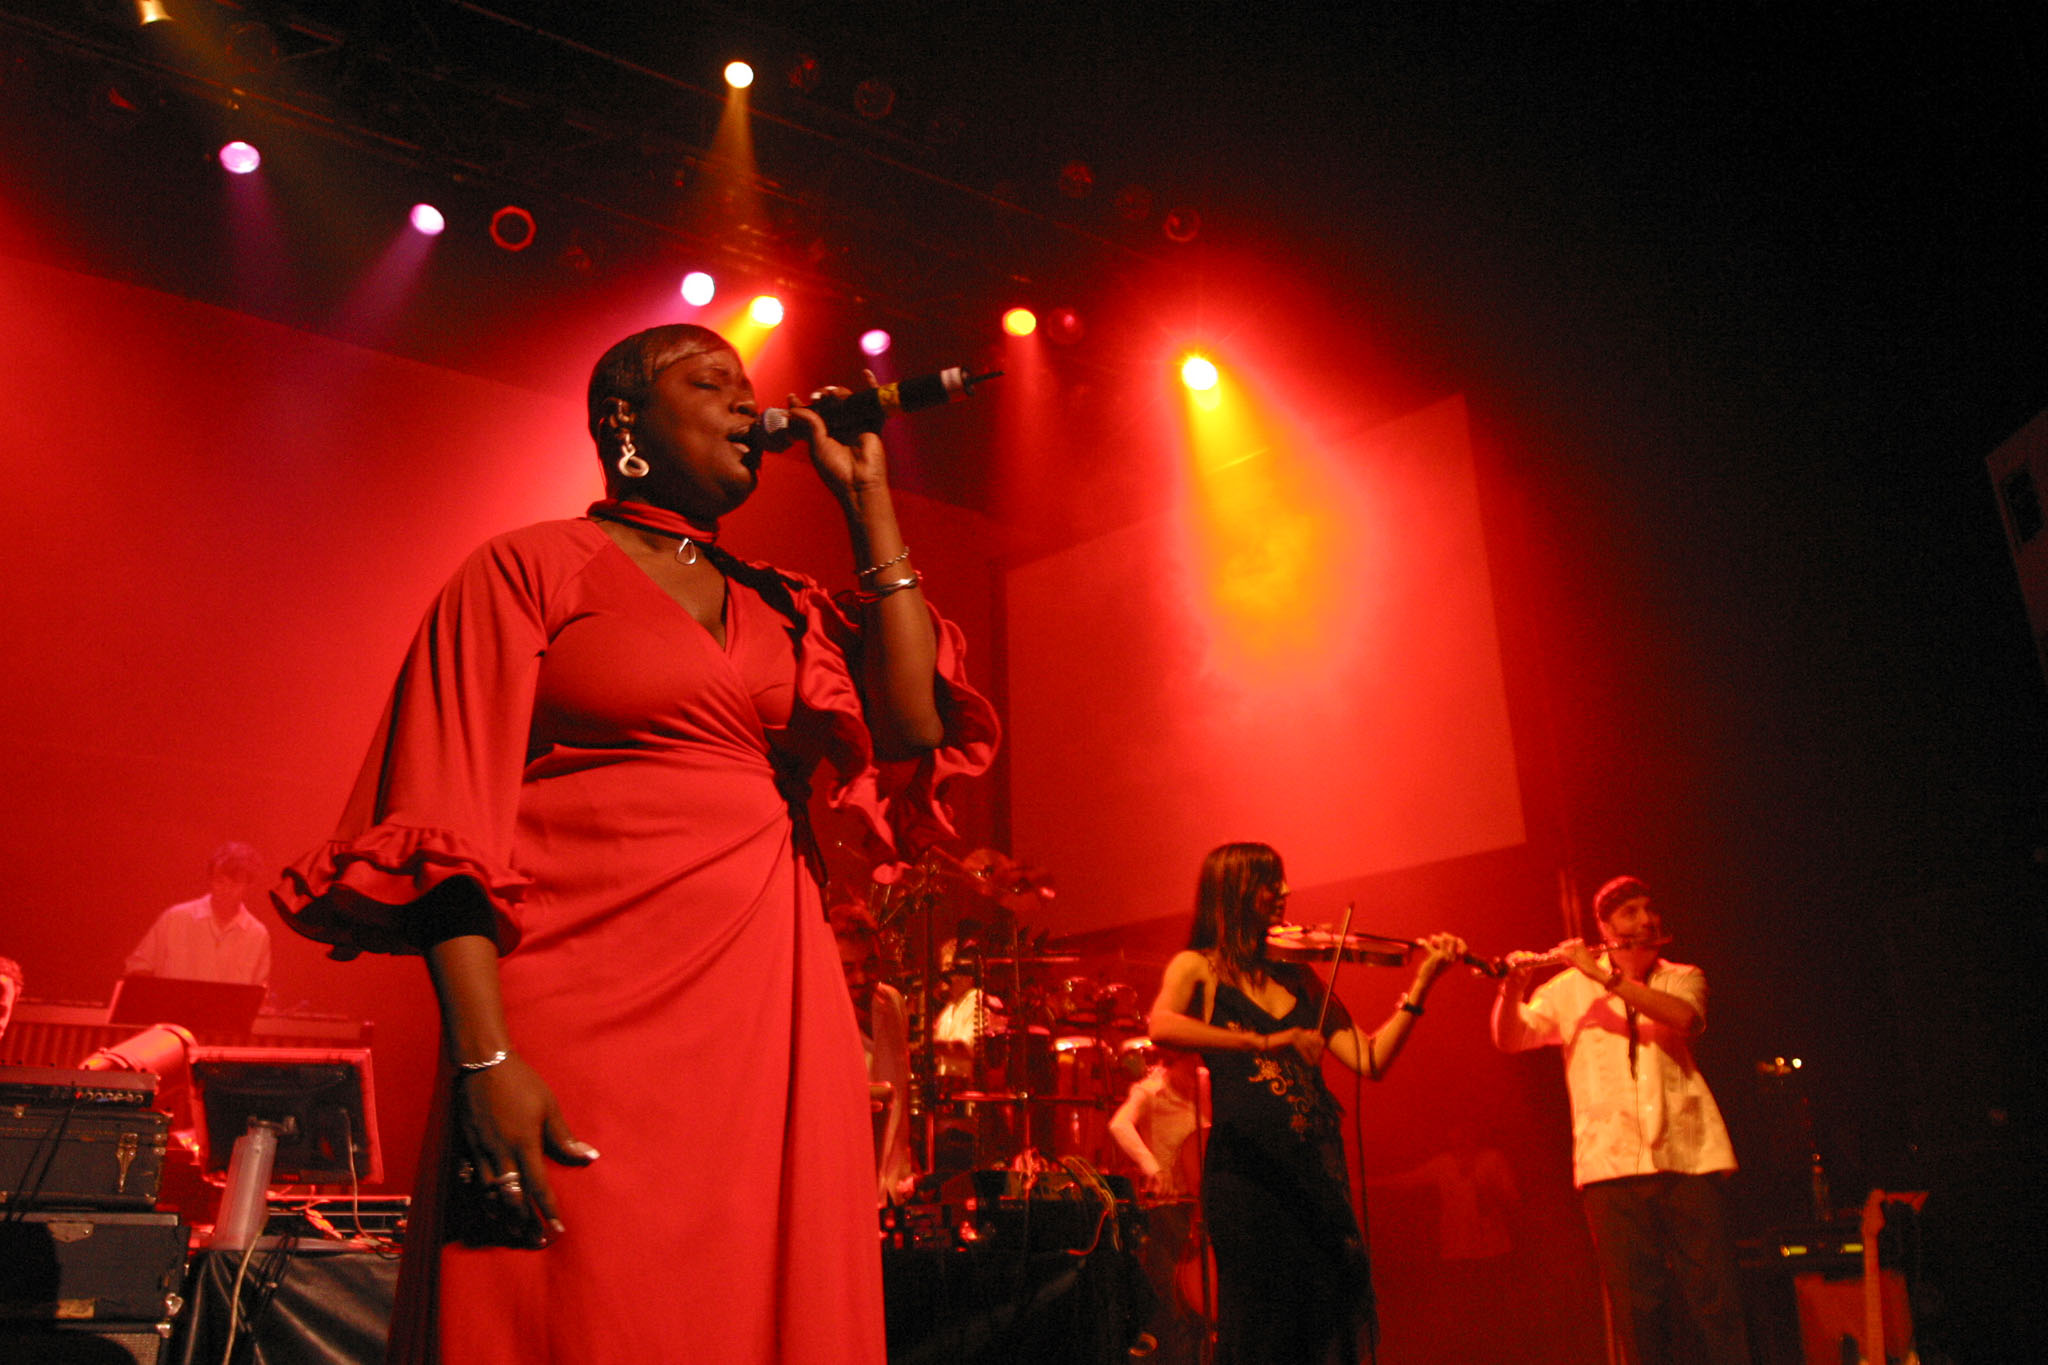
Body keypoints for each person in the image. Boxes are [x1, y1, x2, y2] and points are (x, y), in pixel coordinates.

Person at [274, 323, 996, 1365]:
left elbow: (913, 723)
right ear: (623, 421)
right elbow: (443, 823)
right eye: (710, 383)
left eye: (749, 387)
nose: (747, 404)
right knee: (571, 1312)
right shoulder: (526, 569)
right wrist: (484, 1058)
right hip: (579, 1015)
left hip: (765, 1025)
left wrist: (866, 501)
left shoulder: (782, 604)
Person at [1146, 841, 1468, 1365]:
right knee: (1262, 1327)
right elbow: (1161, 1026)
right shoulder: (1197, 966)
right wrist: (1263, 1041)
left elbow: (1369, 1059)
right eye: (1270, 882)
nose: (1286, 891)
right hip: (1248, 1177)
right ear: (1235, 889)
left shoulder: (1299, 975)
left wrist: (1420, 986)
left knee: (1320, 1319)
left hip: (1311, 1171)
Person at [1490, 875, 1748, 1365]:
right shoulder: (1568, 989)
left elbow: (1686, 1019)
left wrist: (1604, 977)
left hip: (1689, 1160)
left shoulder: (1682, 976)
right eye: (1630, 913)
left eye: (1650, 909)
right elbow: (1511, 1039)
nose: (1646, 920)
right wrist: (1512, 988)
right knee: (1640, 1311)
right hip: (1608, 1170)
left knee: (1717, 1303)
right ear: (1605, 928)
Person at [831, 900, 915, 1204]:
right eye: (848, 968)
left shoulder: (892, 1003)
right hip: (843, 1186)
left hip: (895, 1186)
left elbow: (900, 1099)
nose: (861, 978)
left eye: (870, 965)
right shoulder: (817, 1016)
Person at [124, 841, 272, 986]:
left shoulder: (258, 935)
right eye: (220, 881)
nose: (226, 890)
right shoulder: (175, 918)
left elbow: (257, 992)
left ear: (249, 886)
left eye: (235, 884)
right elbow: (137, 968)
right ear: (210, 880)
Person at [1107, 1045, 1206, 1199]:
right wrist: (1153, 1169)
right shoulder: (1150, 1090)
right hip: (1166, 1197)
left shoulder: (1200, 1088)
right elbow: (1119, 1124)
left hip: (1197, 1193)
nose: (1194, 1080)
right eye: (1189, 1072)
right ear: (1173, 1063)